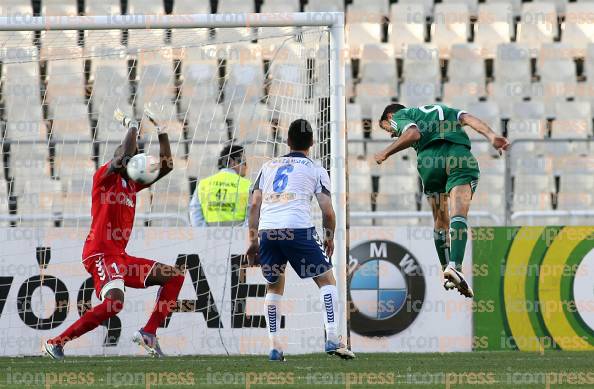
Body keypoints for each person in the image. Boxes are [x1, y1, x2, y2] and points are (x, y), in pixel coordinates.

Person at [44, 108, 184, 360]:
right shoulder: (103, 178)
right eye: (122, 156)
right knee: (115, 303)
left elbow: (166, 166)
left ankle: (149, 333)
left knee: (173, 277)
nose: (126, 158)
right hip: (99, 253)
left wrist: (162, 130)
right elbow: (124, 154)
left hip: (118, 256)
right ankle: (56, 342)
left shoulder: (132, 184)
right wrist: (132, 126)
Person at [246, 119, 355, 361]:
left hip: (268, 231)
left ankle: (275, 346)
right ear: (313, 143)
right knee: (327, 279)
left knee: (274, 285)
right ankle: (332, 338)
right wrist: (329, 237)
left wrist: (253, 240)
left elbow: (254, 204)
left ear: (287, 141)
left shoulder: (269, 166)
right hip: (297, 229)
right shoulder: (316, 169)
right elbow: (327, 211)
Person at [374, 103, 509, 298]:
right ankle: (455, 267)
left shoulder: (400, 115)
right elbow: (470, 119)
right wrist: (492, 136)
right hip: (458, 157)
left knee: (440, 219)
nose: (392, 134)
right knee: (458, 214)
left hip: (429, 163)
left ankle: (447, 270)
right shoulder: (447, 111)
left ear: (389, 116)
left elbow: (412, 134)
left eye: (386, 128)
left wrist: (385, 152)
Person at [189, 145, 251, 226]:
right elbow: (252, 216)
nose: (246, 167)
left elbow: (195, 213)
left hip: (208, 237)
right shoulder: (247, 185)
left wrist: (204, 234)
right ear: (232, 162)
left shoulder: (203, 184)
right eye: (244, 162)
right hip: (238, 236)